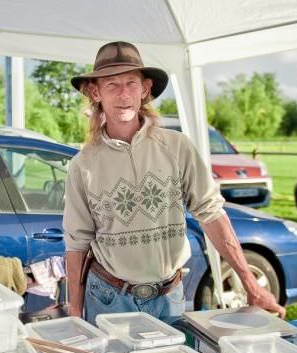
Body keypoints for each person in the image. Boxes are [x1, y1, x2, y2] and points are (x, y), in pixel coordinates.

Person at [63, 41, 285, 325]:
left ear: (145, 89)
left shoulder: (177, 147)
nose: (123, 94)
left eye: (131, 83)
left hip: (169, 297)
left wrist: (251, 286)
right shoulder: (83, 164)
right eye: (112, 85)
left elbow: (212, 213)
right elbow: (76, 244)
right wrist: (74, 315)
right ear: (95, 92)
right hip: (108, 299)